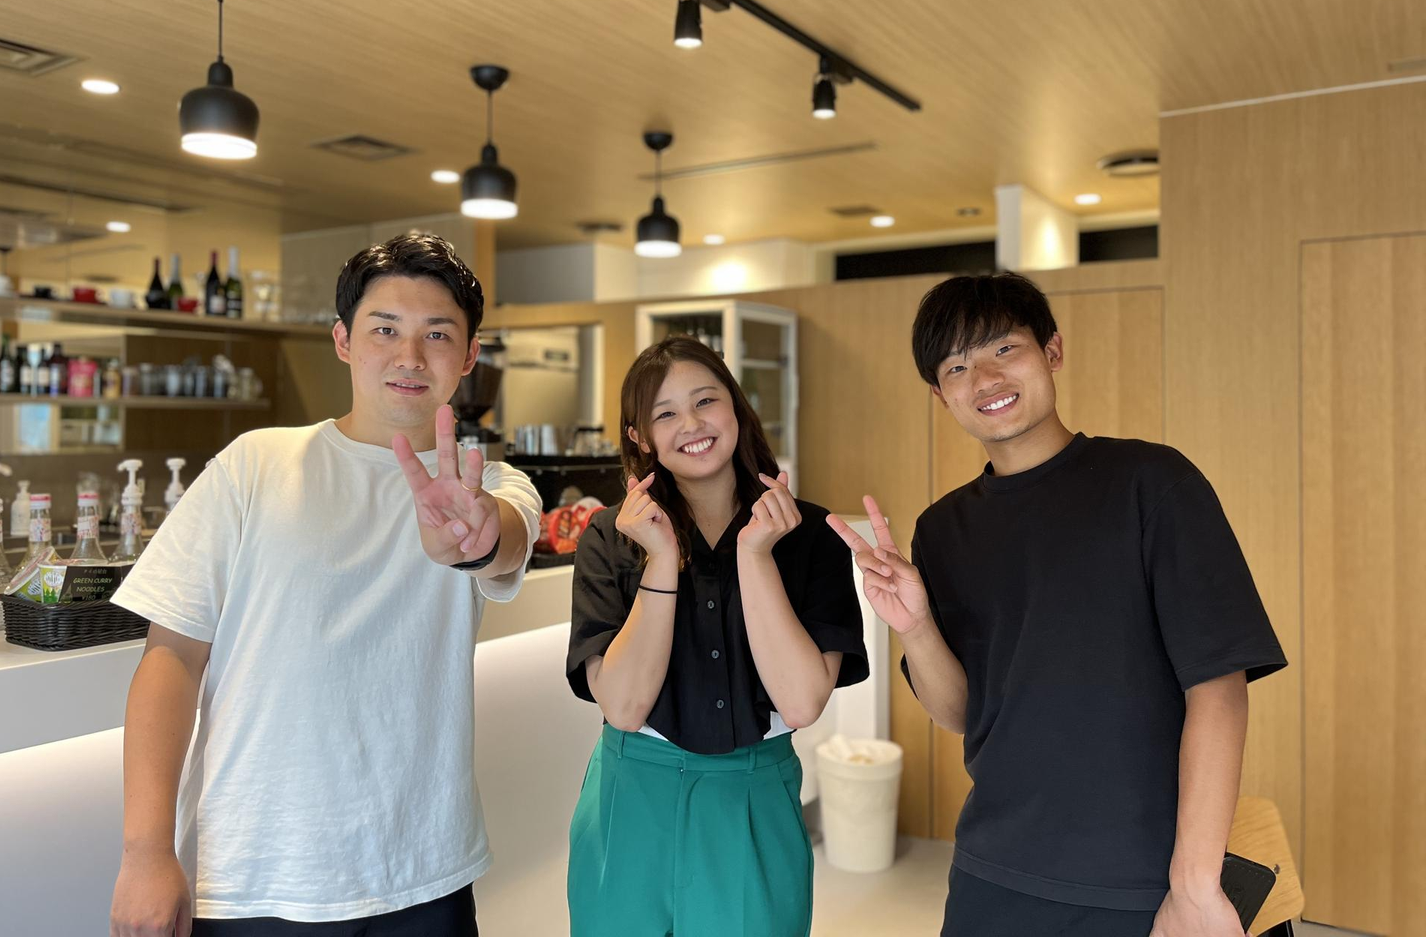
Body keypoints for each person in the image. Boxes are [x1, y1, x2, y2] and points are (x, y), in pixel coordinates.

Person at [108, 233, 543, 936]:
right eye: (384, 330)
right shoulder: (254, 464)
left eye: (437, 334)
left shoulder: (487, 484)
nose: (409, 356)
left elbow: (504, 541)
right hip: (258, 876)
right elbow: (172, 658)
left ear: (469, 356)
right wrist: (145, 852)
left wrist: (478, 539)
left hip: (426, 876)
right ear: (343, 341)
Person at [827, 272, 1286, 937]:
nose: (984, 379)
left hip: (1140, 878)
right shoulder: (943, 530)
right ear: (940, 394)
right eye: (957, 367)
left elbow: (1219, 687)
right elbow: (959, 713)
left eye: (1003, 349)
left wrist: (1193, 886)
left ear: (1052, 350)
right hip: (992, 868)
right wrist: (917, 627)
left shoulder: (1153, 484)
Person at [565, 336, 867, 937]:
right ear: (639, 437)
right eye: (665, 413)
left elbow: (801, 702)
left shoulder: (809, 534)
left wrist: (756, 556)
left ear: (735, 406)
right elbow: (623, 707)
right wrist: (660, 559)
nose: (692, 424)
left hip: (752, 796)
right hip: (631, 797)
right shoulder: (608, 535)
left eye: (706, 401)